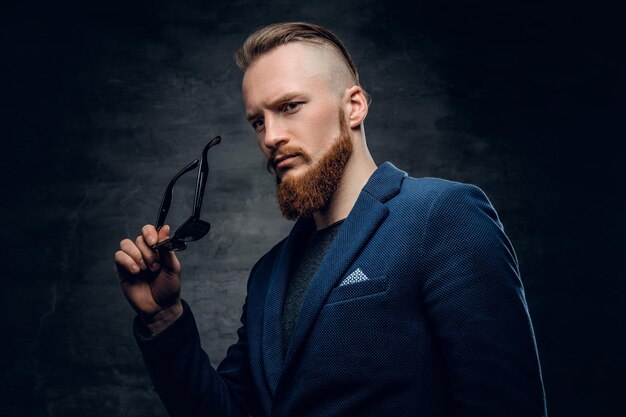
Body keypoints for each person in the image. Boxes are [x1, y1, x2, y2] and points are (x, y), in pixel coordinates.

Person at [114, 22, 547, 417]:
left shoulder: (441, 216)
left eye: (290, 106)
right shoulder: (268, 274)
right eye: (257, 121)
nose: (271, 136)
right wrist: (164, 318)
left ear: (354, 106)